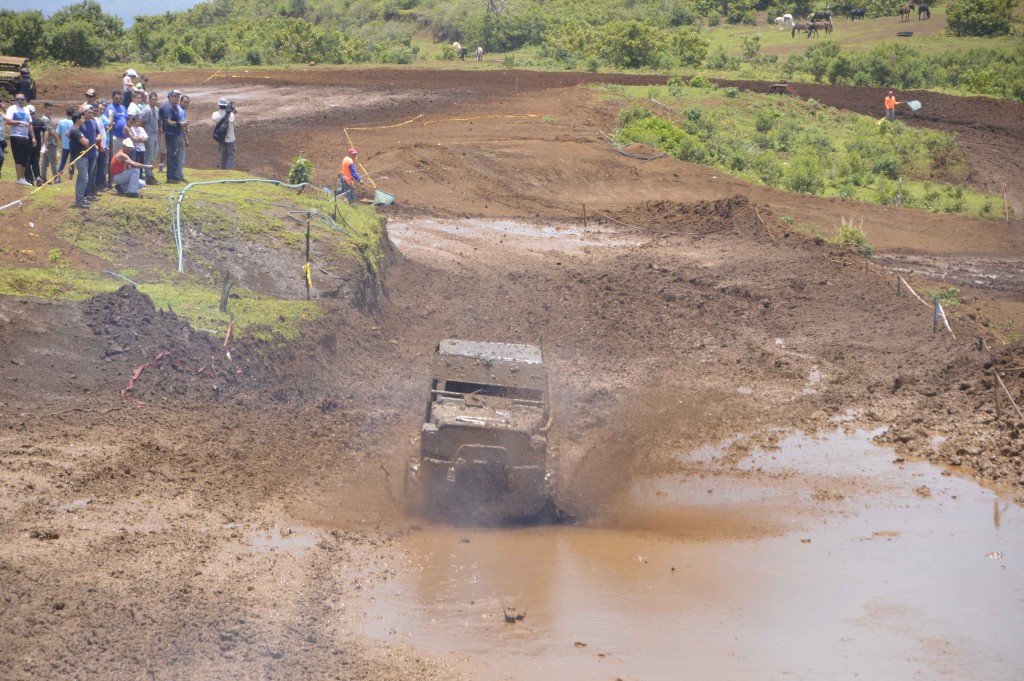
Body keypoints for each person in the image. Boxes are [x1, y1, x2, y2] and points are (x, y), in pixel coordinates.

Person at [68, 104, 99, 208]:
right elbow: (86, 142)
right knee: (83, 177)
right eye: (81, 118)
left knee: (84, 177)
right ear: (78, 120)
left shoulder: (78, 129)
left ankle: (81, 198)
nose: (83, 119)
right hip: (80, 156)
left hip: (86, 155)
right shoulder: (76, 131)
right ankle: (80, 199)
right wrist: (86, 140)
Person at [3, 93, 35, 185]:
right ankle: (19, 177)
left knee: (25, 159)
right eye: (17, 99)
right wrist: (20, 122)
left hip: (25, 136)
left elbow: (30, 124)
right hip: (16, 136)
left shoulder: (26, 110)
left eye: (21, 99)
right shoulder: (12, 109)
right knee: (19, 158)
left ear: (25, 99)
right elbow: (8, 121)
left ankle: (22, 177)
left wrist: (33, 137)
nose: (19, 101)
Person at [159, 90, 186, 183]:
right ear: (170, 96)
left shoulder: (174, 107)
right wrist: (180, 124)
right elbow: (168, 121)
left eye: (178, 96)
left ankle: (177, 176)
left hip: (175, 134)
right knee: (173, 156)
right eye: (175, 96)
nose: (176, 98)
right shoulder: (168, 107)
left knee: (176, 156)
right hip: (171, 134)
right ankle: (172, 177)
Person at [212, 97, 237, 170]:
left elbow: (216, 117)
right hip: (230, 138)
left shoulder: (215, 115)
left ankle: (223, 171)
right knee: (230, 155)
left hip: (221, 138)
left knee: (223, 155)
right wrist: (232, 112)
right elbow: (234, 125)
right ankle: (228, 171)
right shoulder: (231, 115)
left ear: (219, 105)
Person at [141, 91, 160, 185]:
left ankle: (150, 174)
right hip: (148, 136)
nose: (155, 101)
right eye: (153, 99)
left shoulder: (156, 109)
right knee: (149, 156)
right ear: (149, 99)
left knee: (154, 155)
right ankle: (149, 176)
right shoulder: (146, 110)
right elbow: (141, 124)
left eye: (156, 99)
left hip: (155, 135)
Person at [26, 104, 46, 185]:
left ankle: (30, 179)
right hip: (37, 145)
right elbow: (46, 132)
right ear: (34, 112)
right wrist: (44, 143)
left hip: (26, 144)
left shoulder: (25, 120)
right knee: (35, 162)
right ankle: (37, 177)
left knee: (27, 162)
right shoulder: (39, 121)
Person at [40, 102, 59, 184]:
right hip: (50, 142)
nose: (51, 111)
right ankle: (56, 178)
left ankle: (43, 177)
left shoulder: (46, 118)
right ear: (45, 109)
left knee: (45, 161)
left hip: (45, 143)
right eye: (49, 109)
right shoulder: (46, 119)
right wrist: (56, 138)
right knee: (53, 161)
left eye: (52, 109)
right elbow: (50, 131)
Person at [105, 90, 128, 155]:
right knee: (115, 155)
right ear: (112, 98)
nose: (118, 100)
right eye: (116, 98)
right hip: (115, 136)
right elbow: (107, 123)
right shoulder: (109, 108)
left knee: (124, 155)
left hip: (124, 136)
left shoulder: (123, 107)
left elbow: (126, 119)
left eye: (120, 98)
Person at [55, 106, 75, 180]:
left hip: (65, 145)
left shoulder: (61, 122)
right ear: (73, 114)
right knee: (72, 161)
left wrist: (61, 141)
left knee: (63, 160)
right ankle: (71, 176)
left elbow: (58, 134)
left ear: (66, 113)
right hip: (73, 145)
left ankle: (58, 176)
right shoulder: (74, 122)